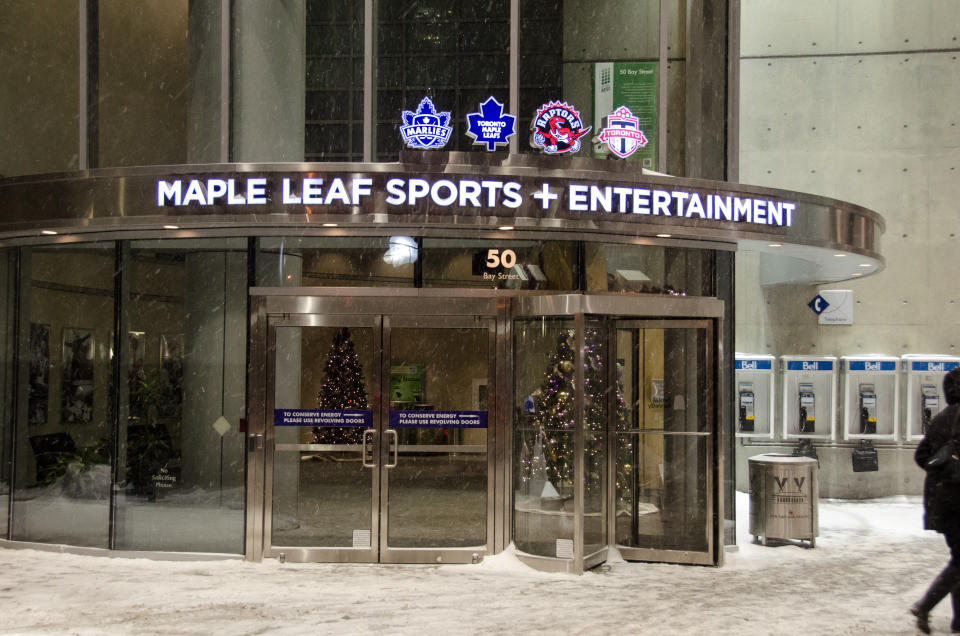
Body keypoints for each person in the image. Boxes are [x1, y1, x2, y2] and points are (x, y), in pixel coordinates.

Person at [913, 367, 960, 634]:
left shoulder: (941, 419)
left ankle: (958, 621)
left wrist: (944, 470)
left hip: (942, 502)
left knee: (958, 558)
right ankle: (925, 606)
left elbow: (922, 457)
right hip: (958, 500)